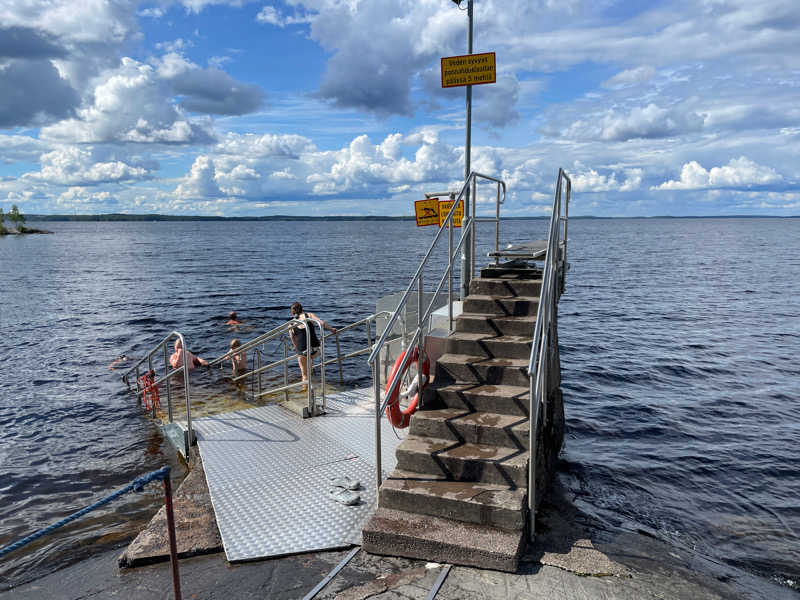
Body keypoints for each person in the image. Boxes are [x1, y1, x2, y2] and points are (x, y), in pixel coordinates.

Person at [288, 302, 337, 389]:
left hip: (302, 351)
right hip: (315, 350)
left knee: (304, 375)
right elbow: (321, 323)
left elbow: (293, 339)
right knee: (310, 358)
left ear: (292, 312)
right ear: (302, 309)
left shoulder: (291, 324)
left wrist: (297, 349)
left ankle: (305, 391)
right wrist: (331, 329)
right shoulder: (309, 315)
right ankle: (310, 366)